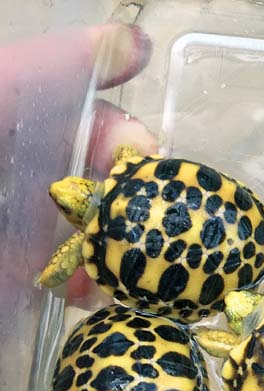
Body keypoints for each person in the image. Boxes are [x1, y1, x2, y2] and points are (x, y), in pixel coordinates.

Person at [0, 23, 157, 322]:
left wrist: (48, 277)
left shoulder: (81, 240)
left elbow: (62, 266)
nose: (58, 191)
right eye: (64, 201)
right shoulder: (122, 173)